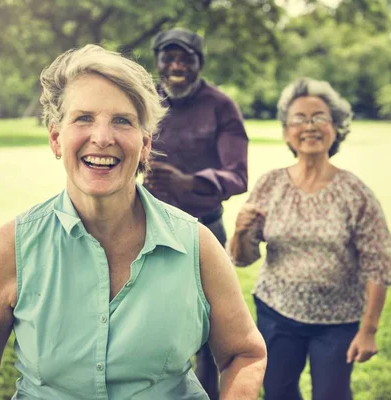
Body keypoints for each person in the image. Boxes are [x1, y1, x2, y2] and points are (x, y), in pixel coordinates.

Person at [0, 44, 266, 400]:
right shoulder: (11, 247)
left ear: (144, 145)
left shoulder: (196, 246)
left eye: (122, 121)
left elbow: (244, 353)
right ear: (56, 138)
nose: (102, 137)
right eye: (83, 118)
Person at [228, 77, 391, 400]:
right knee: (278, 392)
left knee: (331, 395)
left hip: (338, 320)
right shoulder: (270, 184)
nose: (310, 126)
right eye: (299, 119)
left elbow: (380, 265)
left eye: (319, 117)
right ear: (286, 132)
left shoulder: (355, 192)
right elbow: (243, 257)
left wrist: (369, 330)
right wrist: (239, 231)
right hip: (276, 313)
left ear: (335, 127)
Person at [144, 27, 249, 399]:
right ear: (157, 61)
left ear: (199, 63)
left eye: (185, 58)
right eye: (168, 57)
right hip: (145, 234)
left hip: (205, 233)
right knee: (149, 326)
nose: (176, 65)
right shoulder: (142, 101)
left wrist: (190, 182)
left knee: (208, 332)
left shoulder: (221, 106)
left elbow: (238, 175)